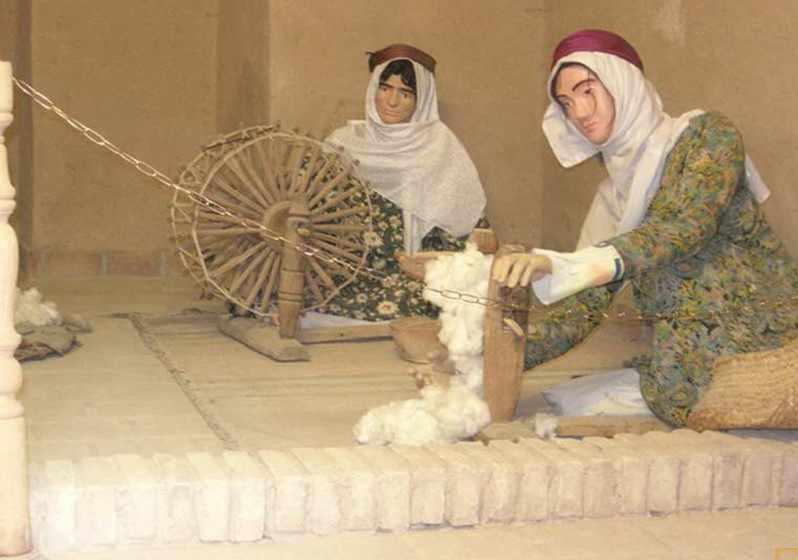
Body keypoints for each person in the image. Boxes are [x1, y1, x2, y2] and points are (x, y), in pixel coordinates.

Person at [493, 29, 798, 427]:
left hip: (762, 336)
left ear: (623, 83)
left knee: (668, 391)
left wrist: (561, 263)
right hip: (687, 353)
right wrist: (497, 355)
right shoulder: (615, 194)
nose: (580, 113)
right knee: (578, 397)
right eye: (567, 103)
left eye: (588, 91)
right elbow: (584, 304)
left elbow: (680, 229)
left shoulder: (707, 137)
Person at [315, 44, 488, 322]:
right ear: (373, 89)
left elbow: (464, 228)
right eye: (385, 88)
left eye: (405, 93)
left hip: (408, 274)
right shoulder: (344, 142)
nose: (392, 101)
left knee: (421, 300)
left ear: (422, 100)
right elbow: (313, 203)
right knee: (293, 286)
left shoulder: (440, 147)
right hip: (348, 269)